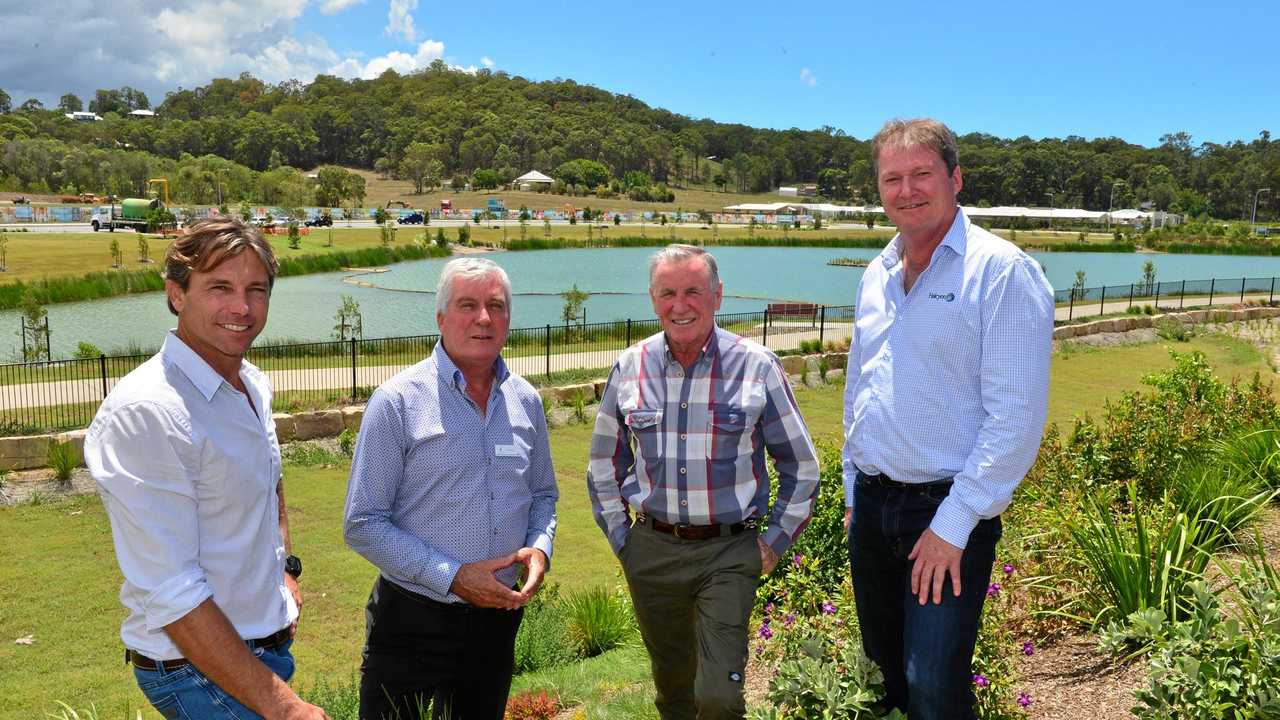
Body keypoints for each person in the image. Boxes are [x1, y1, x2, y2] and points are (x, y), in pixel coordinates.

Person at [842, 118, 1054, 719]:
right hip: (874, 506)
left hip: (946, 511)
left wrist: (952, 525)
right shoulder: (876, 274)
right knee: (888, 678)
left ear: (955, 179)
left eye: (921, 175)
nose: (906, 190)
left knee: (934, 688)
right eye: (892, 178)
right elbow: (862, 385)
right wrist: (853, 485)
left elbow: (1015, 420)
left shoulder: (1002, 272)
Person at [85, 217, 328, 720]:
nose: (241, 307)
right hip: (196, 671)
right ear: (177, 294)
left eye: (255, 290)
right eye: (220, 287)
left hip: (259, 653)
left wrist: (286, 570)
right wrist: (286, 710)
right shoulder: (147, 412)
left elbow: (269, 481)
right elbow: (172, 592)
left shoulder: (252, 385)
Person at [587, 244, 820, 720]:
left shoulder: (756, 367)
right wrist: (623, 541)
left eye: (693, 291)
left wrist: (773, 542)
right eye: (667, 293)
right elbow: (603, 465)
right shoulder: (630, 367)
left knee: (717, 694)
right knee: (673, 689)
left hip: (727, 554)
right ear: (653, 300)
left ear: (717, 296)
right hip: (652, 550)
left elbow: (802, 466)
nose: (680, 305)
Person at [343, 257, 558, 720]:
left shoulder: (526, 401)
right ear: (441, 318)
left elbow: (543, 496)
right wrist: (454, 577)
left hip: (496, 624)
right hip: (412, 622)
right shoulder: (397, 401)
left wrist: (539, 549)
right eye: (468, 305)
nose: (484, 318)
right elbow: (362, 523)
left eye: (496, 306)